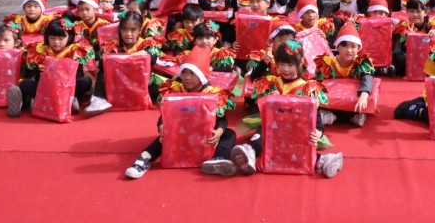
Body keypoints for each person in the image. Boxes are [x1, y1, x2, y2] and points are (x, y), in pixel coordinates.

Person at [231, 40, 344, 178]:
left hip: (297, 128)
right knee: (264, 132)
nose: (285, 69)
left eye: (290, 65)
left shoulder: (307, 88)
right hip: (273, 127)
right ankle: (251, 151)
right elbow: (254, 80)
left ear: (300, 62)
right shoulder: (273, 82)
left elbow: (316, 116)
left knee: (300, 145)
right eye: (281, 64)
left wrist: (318, 132)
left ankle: (322, 160)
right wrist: (269, 102)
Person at [124, 46, 237, 179]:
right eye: (184, 73)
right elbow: (164, 116)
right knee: (164, 137)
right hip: (180, 132)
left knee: (229, 133)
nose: (187, 78)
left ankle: (219, 158)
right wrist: (162, 126)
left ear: (201, 75)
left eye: (192, 73)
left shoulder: (212, 94)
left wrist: (219, 131)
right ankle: (144, 159)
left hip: (203, 133)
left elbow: (221, 119)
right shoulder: (176, 91)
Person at [6, 18, 95, 117]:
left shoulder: (75, 50)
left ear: (69, 37)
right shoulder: (40, 50)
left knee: (86, 81)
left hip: (66, 87)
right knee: (24, 84)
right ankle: (20, 104)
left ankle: (59, 100)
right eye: (52, 38)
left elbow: (79, 74)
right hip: (46, 87)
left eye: (61, 39)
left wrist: (61, 73)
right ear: (47, 37)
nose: (56, 42)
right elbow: (36, 77)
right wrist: (42, 74)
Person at [84, 11, 164, 118]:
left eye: (133, 30)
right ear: (120, 31)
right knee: (103, 73)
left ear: (140, 31)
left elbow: (153, 60)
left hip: (139, 83)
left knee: (157, 87)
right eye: (125, 29)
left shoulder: (145, 44)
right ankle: (99, 100)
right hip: (120, 83)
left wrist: (142, 55)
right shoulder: (114, 46)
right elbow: (102, 64)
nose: (128, 34)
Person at [314, 21, 375, 127]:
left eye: (353, 46)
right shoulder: (328, 63)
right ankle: (348, 117)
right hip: (333, 101)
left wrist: (364, 95)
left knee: (365, 99)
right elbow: (318, 82)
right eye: (345, 46)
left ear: (358, 48)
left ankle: (335, 117)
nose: (349, 50)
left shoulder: (361, 62)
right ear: (337, 47)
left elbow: (367, 79)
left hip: (353, 99)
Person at [391, 0, 435, 77]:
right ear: (407, 12)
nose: (415, 15)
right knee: (397, 56)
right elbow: (398, 47)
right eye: (411, 11)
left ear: (426, 12)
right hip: (409, 57)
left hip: (427, 57)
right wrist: (411, 37)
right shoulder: (403, 25)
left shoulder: (433, 25)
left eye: (418, 11)